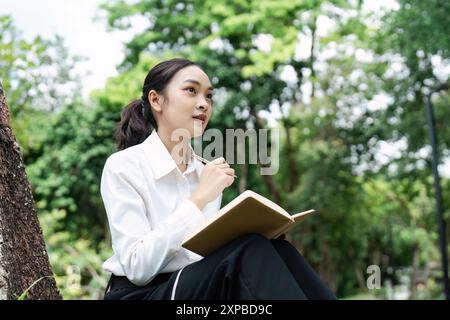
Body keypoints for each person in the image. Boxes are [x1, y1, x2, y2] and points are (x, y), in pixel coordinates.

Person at [100, 58, 336, 300]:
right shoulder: (124, 166)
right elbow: (138, 267)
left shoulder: (205, 171)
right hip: (141, 294)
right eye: (191, 91)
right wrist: (199, 198)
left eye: (209, 96)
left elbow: (206, 255)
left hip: (195, 286)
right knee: (249, 249)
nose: (204, 104)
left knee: (278, 249)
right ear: (156, 100)